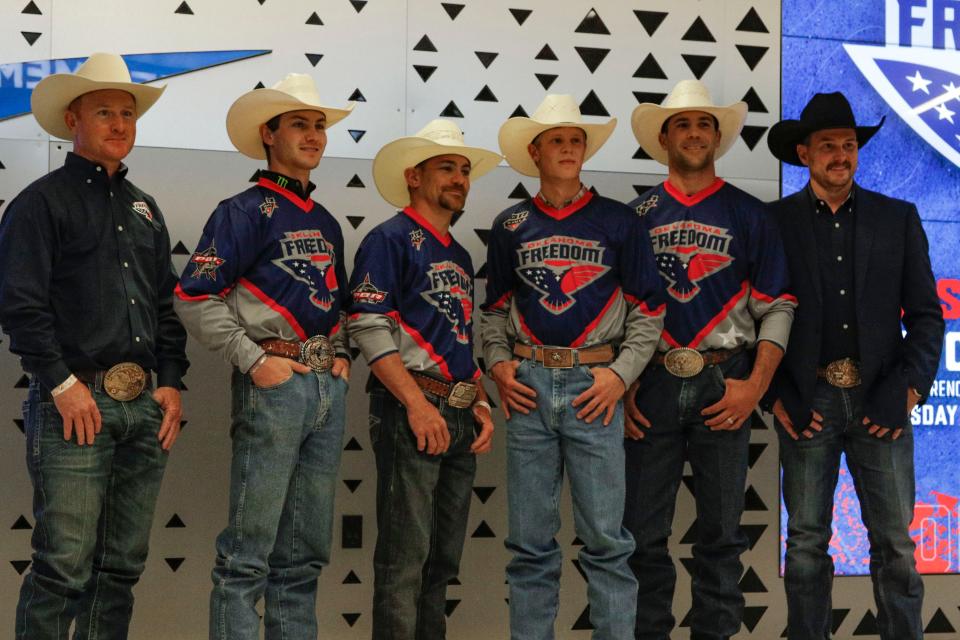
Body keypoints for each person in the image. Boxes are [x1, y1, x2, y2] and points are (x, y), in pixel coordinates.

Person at [0, 52, 189, 638]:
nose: (120, 124)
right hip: (74, 400)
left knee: (121, 568)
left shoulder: (145, 210)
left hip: (142, 408)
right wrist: (60, 385)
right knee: (63, 567)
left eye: (127, 113)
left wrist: (171, 383)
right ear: (72, 120)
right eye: (104, 111)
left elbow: (164, 307)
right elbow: (19, 306)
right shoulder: (40, 202)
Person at [173, 73, 353, 640]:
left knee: (303, 557)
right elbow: (193, 294)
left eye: (319, 125)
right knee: (247, 555)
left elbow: (339, 302)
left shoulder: (325, 220)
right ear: (267, 134)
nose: (314, 135)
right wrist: (254, 361)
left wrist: (343, 354)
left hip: (325, 386)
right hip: (273, 382)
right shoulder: (244, 210)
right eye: (299, 124)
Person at [481, 94, 664, 639]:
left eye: (575, 140)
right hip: (529, 386)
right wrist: (498, 366)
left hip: (594, 386)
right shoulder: (510, 224)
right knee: (530, 545)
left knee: (607, 542)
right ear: (534, 151)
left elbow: (650, 312)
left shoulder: (618, 221)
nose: (567, 148)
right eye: (556, 140)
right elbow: (492, 313)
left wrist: (619, 375)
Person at [766, 91, 944, 640]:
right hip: (807, 402)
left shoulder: (899, 218)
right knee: (805, 545)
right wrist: (776, 396)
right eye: (827, 146)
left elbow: (928, 316)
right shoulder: (772, 222)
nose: (840, 155)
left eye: (848, 145)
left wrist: (909, 389)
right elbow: (753, 319)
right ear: (804, 154)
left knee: (894, 543)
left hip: (881, 401)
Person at [624, 79, 797, 640]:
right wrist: (624, 382)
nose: (694, 133)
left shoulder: (751, 214)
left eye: (704, 124)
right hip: (650, 383)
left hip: (726, 382)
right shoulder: (637, 216)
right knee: (642, 534)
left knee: (722, 536)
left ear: (717, 138)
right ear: (664, 137)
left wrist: (756, 386)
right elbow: (617, 312)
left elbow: (778, 306)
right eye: (683, 125)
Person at [348, 119, 500, 639]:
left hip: (456, 410)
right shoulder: (387, 239)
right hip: (410, 410)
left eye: (463, 169)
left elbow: (457, 337)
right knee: (403, 562)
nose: (459, 178)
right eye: (446, 168)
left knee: (441, 564)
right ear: (413, 176)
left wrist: (479, 401)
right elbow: (367, 326)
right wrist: (417, 405)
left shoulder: (458, 254)